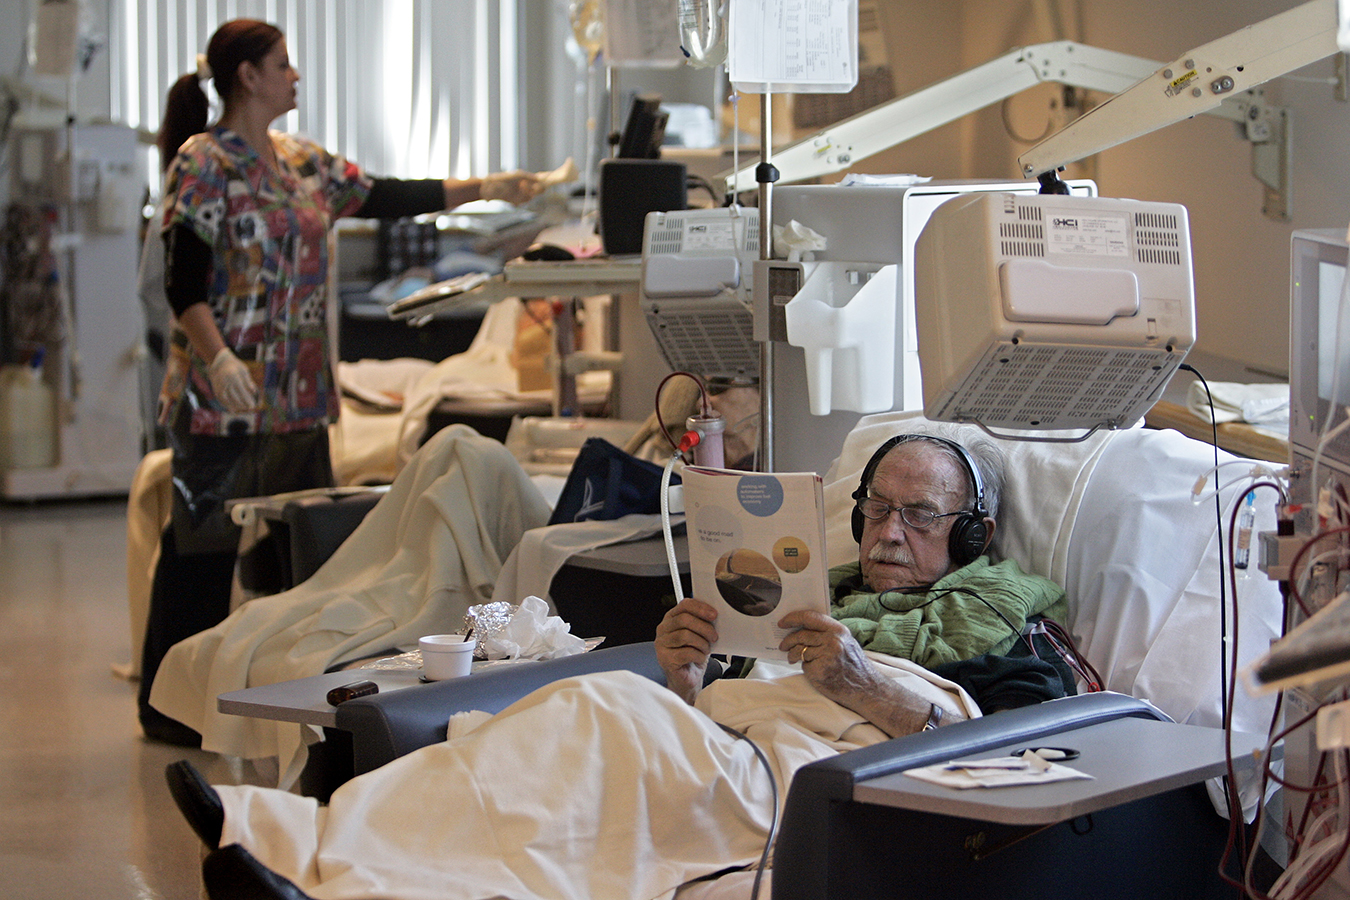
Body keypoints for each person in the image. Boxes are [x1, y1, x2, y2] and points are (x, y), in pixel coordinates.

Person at [162, 432, 1071, 900]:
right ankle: (298, 852)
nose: (888, 533)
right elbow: (740, 704)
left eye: (921, 516)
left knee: (599, 717)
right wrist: (684, 679)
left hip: (813, 780)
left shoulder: (1007, 633)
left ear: (974, 534)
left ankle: (285, 841)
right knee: (563, 738)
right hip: (726, 748)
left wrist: (862, 685)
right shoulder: (810, 605)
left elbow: (1030, 752)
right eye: (876, 509)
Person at [139, 18, 545, 745]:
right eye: (282, 65)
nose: (295, 75)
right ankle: (168, 708)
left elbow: (386, 194)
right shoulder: (202, 164)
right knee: (201, 551)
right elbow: (182, 282)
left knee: (305, 557)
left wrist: (487, 188)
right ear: (247, 77)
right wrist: (220, 358)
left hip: (298, 395)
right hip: (222, 398)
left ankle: (284, 701)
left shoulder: (302, 162)